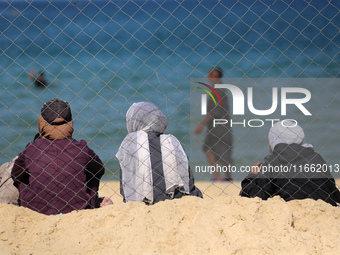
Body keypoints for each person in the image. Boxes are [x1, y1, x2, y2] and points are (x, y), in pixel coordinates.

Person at [11, 98, 112, 215]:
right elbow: (99, 169)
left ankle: (34, 202)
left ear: (42, 122)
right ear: (70, 123)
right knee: (91, 171)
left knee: (22, 174)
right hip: (79, 209)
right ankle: (86, 201)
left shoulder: (31, 149)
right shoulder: (82, 148)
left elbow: (15, 174)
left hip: (36, 210)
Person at [116, 102, 203, 204]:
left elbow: (125, 186)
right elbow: (187, 180)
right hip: (177, 199)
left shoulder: (130, 143)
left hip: (143, 203)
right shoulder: (172, 141)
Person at [240, 121, 340, 206]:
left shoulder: (273, 162)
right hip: (325, 207)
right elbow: (333, 191)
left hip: (294, 210)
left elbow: (255, 197)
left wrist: (252, 176)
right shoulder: (316, 157)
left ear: (273, 143)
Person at [195, 67, 233, 181]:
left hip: (220, 126)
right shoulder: (218, 89)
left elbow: (215, 111)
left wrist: (201, 125)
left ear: (216, 76)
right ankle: (220, 176)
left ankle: (224, 177)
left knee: (222, 151)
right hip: (217, 125)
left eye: (210, 74)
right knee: (209, 148)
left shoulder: (219, 90)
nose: (208, 76)